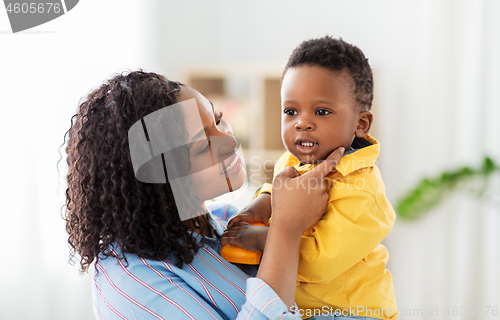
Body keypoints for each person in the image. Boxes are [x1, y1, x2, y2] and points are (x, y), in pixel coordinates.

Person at [64, 70, 345, 320]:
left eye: (219, 118)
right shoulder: (133, 282)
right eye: (202, 146)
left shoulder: (220, 222)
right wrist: (286, 230)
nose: (231, 141)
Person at [223, 37, 398, 320]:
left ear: (360, 123)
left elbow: (318, 262)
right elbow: (278, 187)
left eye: (321, 111)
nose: (302, 122)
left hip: (350, 312)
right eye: (291, 111)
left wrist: (259, 238)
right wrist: (261, 205)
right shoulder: (296, 158)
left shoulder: (362, 191)